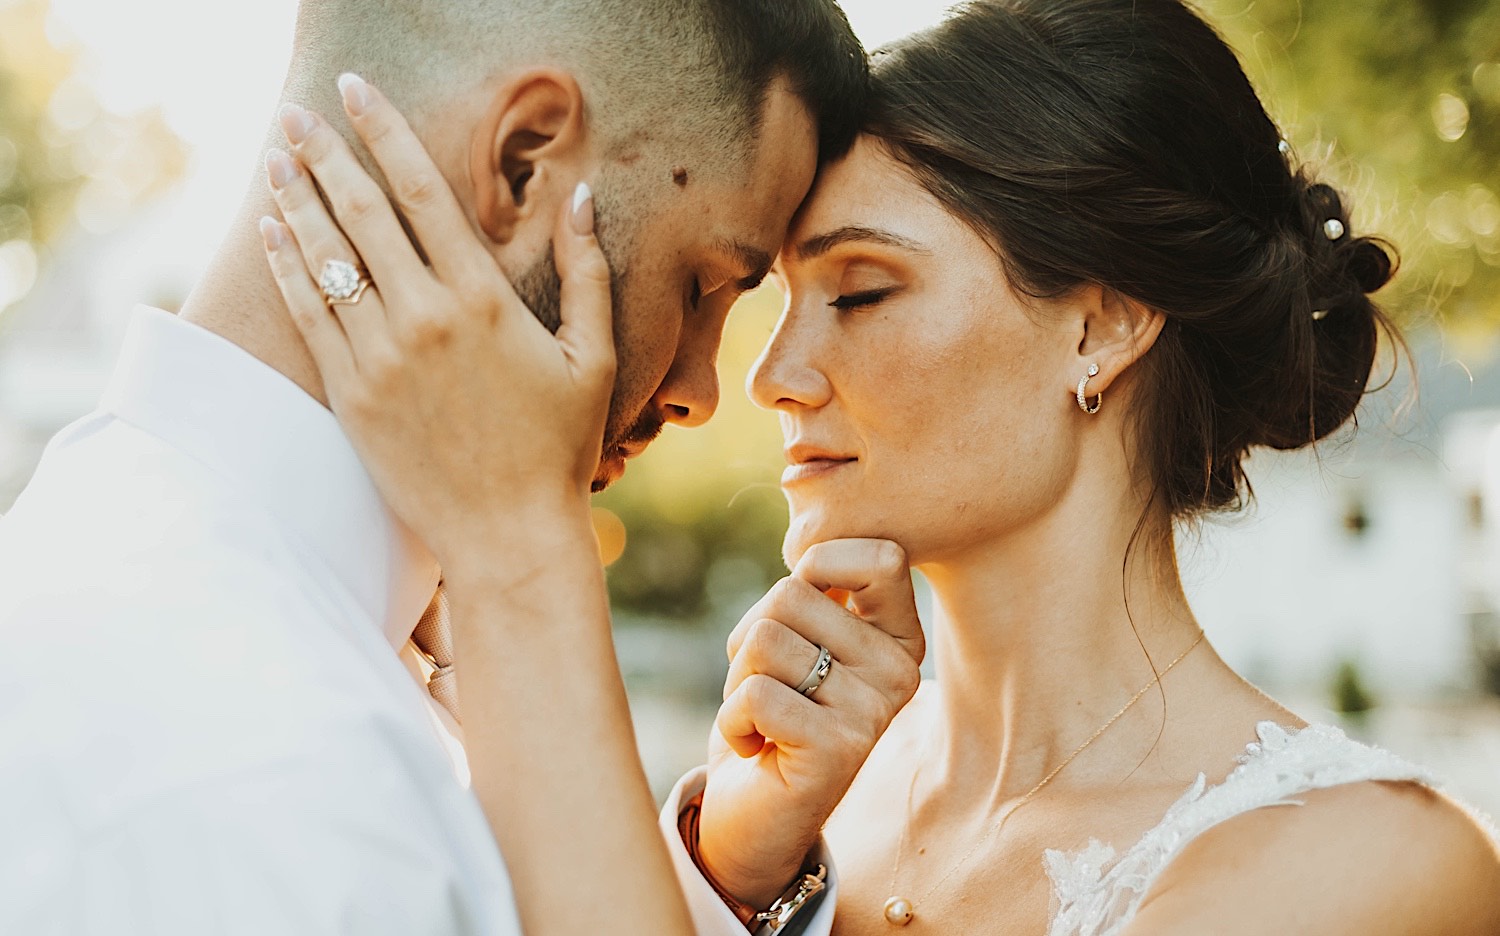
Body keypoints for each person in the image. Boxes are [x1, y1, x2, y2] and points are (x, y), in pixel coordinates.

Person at [264, 0, 1500, 934]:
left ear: (1103, 325)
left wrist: (520, 551)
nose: (769, 377)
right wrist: (734, 873)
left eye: (860, 290)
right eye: (777, 298)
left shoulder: (1366, 868)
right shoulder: (798, 824)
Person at [0, 2, 875, 933]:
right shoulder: (281, 778)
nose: (701, 392)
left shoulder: (121, 548)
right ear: (521, 161)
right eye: (700, 286)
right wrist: (529, 563)